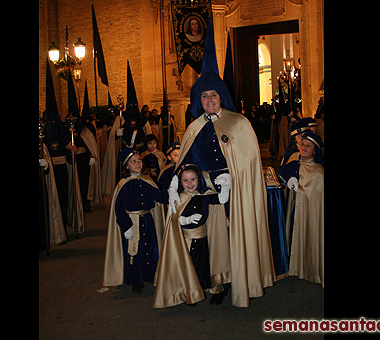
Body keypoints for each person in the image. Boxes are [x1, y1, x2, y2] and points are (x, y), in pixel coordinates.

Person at [169, 19, 276, 307]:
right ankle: (218, 282)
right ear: (198, 100)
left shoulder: (239, 124)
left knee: (235, 236)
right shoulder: (194, 127)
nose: (209, 100)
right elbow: (188, 161)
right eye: (203, 96)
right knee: (213, 240)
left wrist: (232, 178)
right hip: (206, 193)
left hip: (235, 194)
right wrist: (187, 178)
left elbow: (249, 163)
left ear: (221, 96)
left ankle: (239, 280)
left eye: (213, 95)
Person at [153, 164, 231, 307]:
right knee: (188, 267)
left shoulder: (203, 195)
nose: (190, 184)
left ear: (199, 180)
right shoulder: (180, 198)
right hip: (186, 241)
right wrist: (186, 220)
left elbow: (221, 200)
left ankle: (202, 289)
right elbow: (173, 217)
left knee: (202, 267)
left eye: (193, 180)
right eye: (185, 181)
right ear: (180, 182)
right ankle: (189, 293)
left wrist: (225, 186)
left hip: (202, 239)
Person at [103, 147, 168, 293]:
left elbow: (158, 196)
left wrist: (173, 191)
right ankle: (136, 280)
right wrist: (126, 226)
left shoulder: (147, 180)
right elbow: (119, 208)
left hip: (148, 220)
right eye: (133, 162)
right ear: (127, 165)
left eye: (139, 160)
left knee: (151, 249)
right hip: (132, 223)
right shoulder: (123, 184)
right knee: (134, 252)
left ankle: (151, 275)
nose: (138, 164)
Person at [277, 130, 324, 287]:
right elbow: (281, 174)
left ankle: (309, 266)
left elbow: (316, 200)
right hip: (295, 210)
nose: (303, 148)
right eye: (302, 144)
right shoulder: (295, 163)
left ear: (315, 150)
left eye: (308, 146)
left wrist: (300, 191)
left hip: (309, 214)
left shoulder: (318, 172)